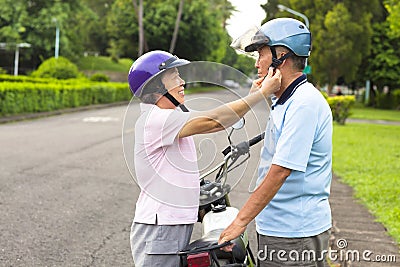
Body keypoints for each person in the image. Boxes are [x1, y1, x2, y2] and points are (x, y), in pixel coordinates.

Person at [127, 50, 281, 266]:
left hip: (169, 225)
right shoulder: (155, 119)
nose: (182, 82)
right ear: (156, 87)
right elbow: (214, 121)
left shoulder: (170, 118)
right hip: (160, 227)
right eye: (174, 77)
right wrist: (260, 94)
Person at [218, 18, 333, 267]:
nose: (257, 64)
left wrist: (240, 221)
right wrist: (256, 96)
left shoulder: (303, 103)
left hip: (295, 232)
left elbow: (280, 171)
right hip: (279, 226)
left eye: (261, 55)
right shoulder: (283, 101)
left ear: (281, 56)